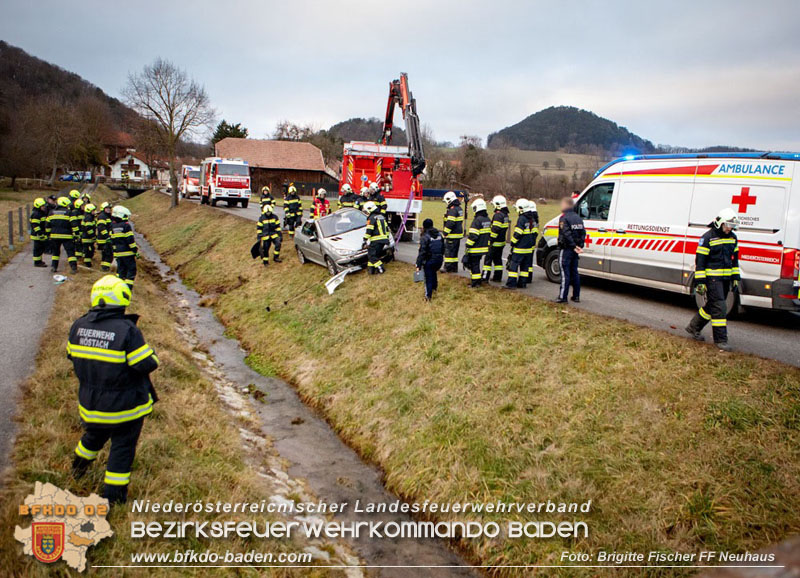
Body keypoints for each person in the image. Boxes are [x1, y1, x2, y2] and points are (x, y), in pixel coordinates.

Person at [69, 275, 159, 504]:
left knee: (93, 436)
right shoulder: (127, 330)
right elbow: (146, 364)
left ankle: (77, 467)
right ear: (122, 299)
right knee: (122, 447)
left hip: (91, 405)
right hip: (124, 408)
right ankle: (113, 497)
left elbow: (71, 354)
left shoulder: (78, 325)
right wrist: (153, 354)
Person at [685, 207, 741, 351]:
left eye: (732, 226)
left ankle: (693, 327)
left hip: (725, 279)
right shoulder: (707, 238)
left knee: (712, 306)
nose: (730, 229)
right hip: (712, 280)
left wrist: (735, 277)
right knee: (720, 308)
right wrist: (700, 282)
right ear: (720, 223)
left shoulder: (733, 238)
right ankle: (721, 340)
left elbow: (734, 260)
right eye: (728, 225)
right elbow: (700, 262)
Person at [555, 197, 586, 303]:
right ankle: (576, 296)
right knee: (574, 272)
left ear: (566, 205)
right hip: (575, 249)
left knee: (565, 273)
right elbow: (583, 233)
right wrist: (579, 246)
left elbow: (566, 234)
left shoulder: (564, 218)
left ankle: (562, 297)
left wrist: (573, 246)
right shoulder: (578, 218)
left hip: (566, 249)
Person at [505, 199, 535, 289]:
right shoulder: (532, 219)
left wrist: (513, 242)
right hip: (528, 249)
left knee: (513, 265)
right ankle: (522, 283)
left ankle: (511, 284)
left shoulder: (522, 219)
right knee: (524, 267)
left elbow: (518, 233)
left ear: (521, 208)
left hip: (520, 248)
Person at [463, 198, 491, 288]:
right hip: (483, 247)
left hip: (475, 248)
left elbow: (473, 235)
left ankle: (475, 283)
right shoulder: (487, 219)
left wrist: (468, 244)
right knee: (477, 265)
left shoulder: (477, 220)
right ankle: (477, 281)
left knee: (474, 265)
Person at [110, 206, 138, 290]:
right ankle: (127, 289)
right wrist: (135, 250)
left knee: (120, 271)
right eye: (126, 216)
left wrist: (115, 253)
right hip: (128, 253)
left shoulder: (113, 226)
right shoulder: (126, 226)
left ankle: (118, 288)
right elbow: (130, 240)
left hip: (119, 253)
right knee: (131, 270)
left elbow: (113, 241)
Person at [416, 218, 444, 301]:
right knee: (433, 272)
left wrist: (418, 264)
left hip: (429, 260)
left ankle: (428, 296)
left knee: (428, 277)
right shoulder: (439, 235)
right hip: (439, 259)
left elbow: (422, 252)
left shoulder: (425, 237)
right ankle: (434, 288)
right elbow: (443, 248)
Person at [48, 196, 78, 273]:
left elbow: (47, 225)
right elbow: (74, 225)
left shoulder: (51, 212)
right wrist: (76, 235)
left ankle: (54, 267)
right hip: (67, 236)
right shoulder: (69, 213)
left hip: (54, 236)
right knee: (70, 252)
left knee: (55, 252)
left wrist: (48, 235)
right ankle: (73, 268)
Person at [484, 195, 510, 282]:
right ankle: (497, 277)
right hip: (501, 242)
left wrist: (490, 240)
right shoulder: (505, 215)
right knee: (498, 260)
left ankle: (485, 277)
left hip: (495, 242)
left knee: (488, 260)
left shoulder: (498, 215)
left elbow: (495, 229)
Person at [362, 201, 390, 275]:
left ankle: (381, 269)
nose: (366, 212)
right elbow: (387, 229)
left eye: (366, 211)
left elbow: (369, 230)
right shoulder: (381, 216)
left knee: (372, 256)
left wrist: (364, 240)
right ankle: (371, 271)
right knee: (374, 255)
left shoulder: (371, 218)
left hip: (376, 240)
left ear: (369, 209)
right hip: (383, 240)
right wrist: (387, 239)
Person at [442, 191, 464, 273]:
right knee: (454, 253)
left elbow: (450, 223)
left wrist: (445, 233)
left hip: (452, 235)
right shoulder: (459, 209)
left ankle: (447, 267)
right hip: (457, 235)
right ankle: (454, 267)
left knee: (449, 253)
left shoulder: (452, 210)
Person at [519, 200, 540, 287]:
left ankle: (526, 278)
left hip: (527, 243)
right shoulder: (535, 218)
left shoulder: (529, 218)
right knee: (529, 261)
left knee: (526, 261)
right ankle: (529, 277)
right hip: (532, 242)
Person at [30, 198, 50, 268]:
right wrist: (40, 233)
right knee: (37, 249)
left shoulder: (41, 213)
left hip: (40, 234)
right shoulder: (36, 214)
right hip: (37, 235)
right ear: (38, 206)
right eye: (42, 206)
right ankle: (37, 262)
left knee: (41, 248)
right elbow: (35, 225)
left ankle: (39, 261)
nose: (44, 207)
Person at [96, 202, 113, 271]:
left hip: (105, 239)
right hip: (104, 239)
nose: (109, 209)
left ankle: (104, 267)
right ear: (103, 209)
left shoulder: (107, 216)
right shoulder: (102, 216)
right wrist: (107, 236)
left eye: (109, 208)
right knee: (108, 254)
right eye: (107, 208)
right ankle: (105, 268)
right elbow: (101, 228)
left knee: (105, 254)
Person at [81, 203, 97, 268]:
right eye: (93, 211)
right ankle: (87, 263)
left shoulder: (89, 216)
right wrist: (93, 236)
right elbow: (88, 228)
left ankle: (87, 262)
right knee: (88, 251)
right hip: (87, 238)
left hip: (87, 237)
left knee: (89, 250)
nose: (94, 212)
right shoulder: (89, 217)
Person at [72, 198, 85, 265]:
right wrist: (77, 233)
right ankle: (78, 258)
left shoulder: (82, 212)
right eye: (82, 205)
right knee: (77, 245)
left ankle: (81, 258)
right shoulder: (75, 212)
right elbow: (74, 224)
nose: (83, 207)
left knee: (81, 245)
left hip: (81, 232)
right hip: (76, 232)